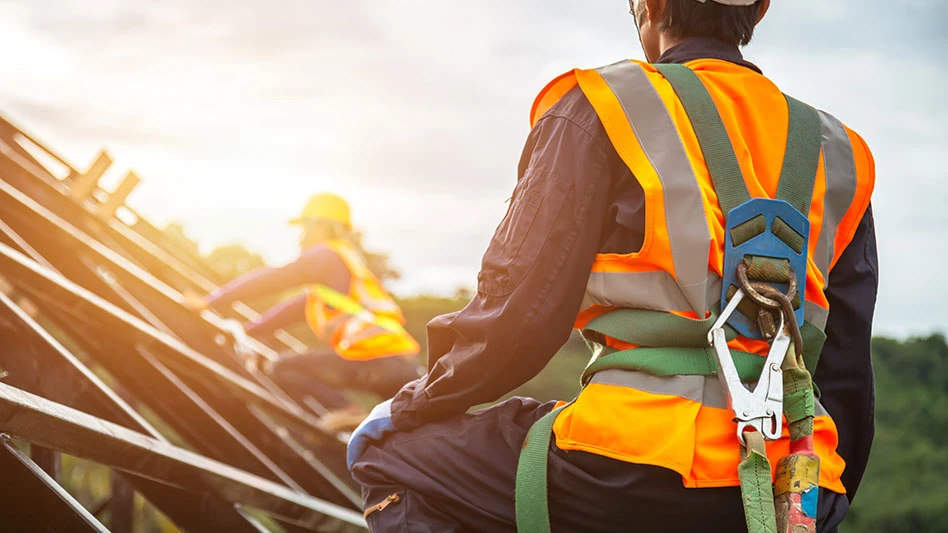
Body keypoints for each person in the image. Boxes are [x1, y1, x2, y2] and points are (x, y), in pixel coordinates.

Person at [346, 1, 877, 532]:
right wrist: (821, 501)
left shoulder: (602, 105)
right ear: (758, 11)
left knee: (392, 458)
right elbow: (848, 374)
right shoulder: (843, 155)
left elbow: (518, 319)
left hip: (634, 470)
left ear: (653, 6)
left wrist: (413, 405)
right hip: (800, 493)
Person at [190, 193, 422, 417]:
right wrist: (247, 332)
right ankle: (346, 417)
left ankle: (345, 410)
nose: (300, 236)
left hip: (375, 360)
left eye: (304, 227)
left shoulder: (327, 255)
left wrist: (209, 301)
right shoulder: (336, 279)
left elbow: (273, 279)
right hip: (400, 366)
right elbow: (286, 313)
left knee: (284, 368)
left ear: (320, 226)